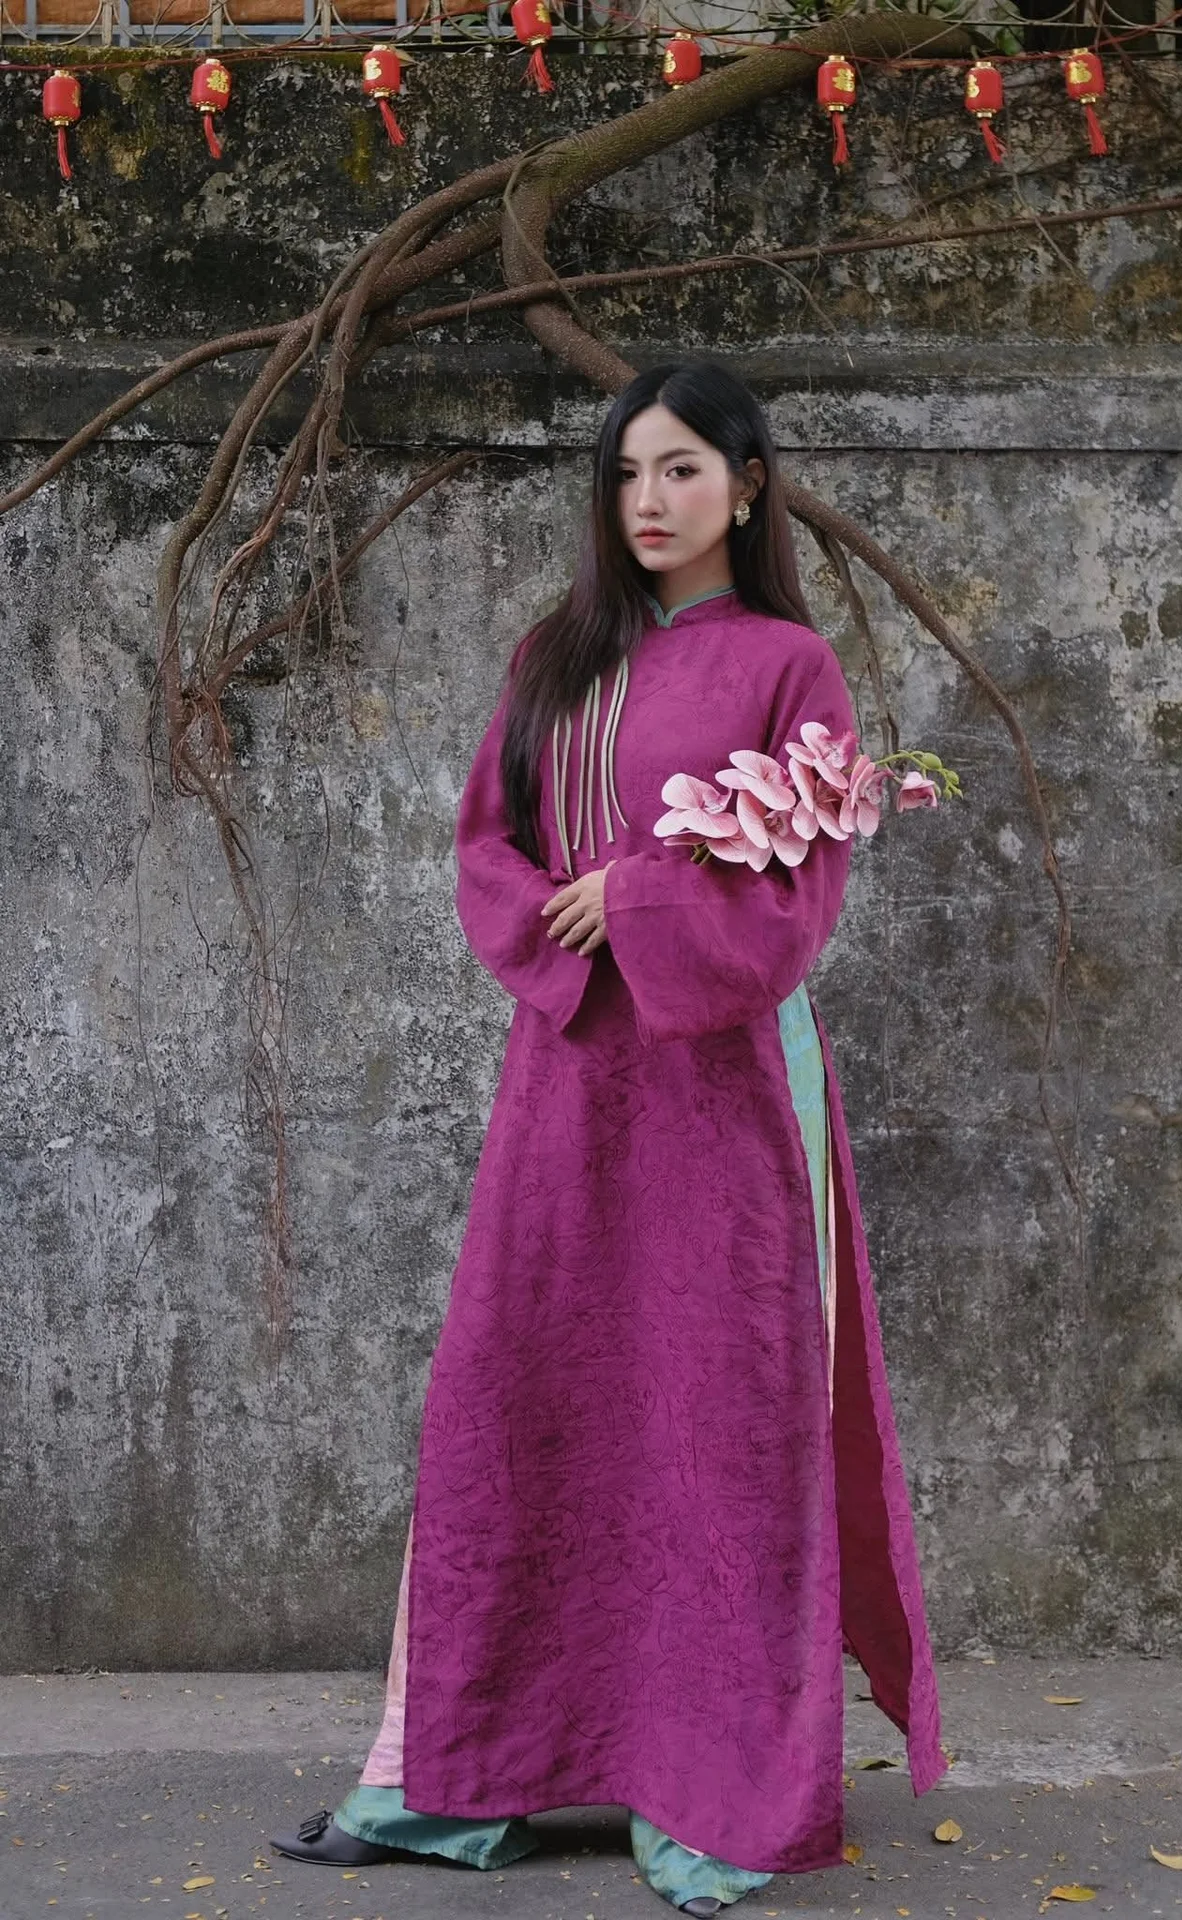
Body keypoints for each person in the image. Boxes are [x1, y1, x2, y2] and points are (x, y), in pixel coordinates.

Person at [271, 357, 946, 1914]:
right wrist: (566, 926)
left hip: (727, 1094)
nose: (649, 499)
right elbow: (487, 847)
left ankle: (708, 1790)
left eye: (682, 469)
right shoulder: (553, 657)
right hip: (568, 1071)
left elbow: (796, 901)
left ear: (746, 485)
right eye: (628, 472)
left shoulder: (789, 667)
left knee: (715, 1412)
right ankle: (461, 1780)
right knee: (519, 1394)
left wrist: (634, 896)